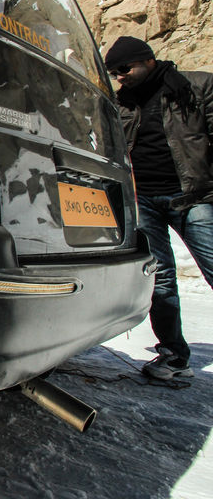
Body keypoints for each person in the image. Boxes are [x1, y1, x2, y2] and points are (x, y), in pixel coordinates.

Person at [106, 36, 213, 381]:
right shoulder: (119, 103)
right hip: (143, 201)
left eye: (124, 68)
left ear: (147, 60)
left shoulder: (196, 86)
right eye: (114, 72)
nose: (120, 77)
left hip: (194, 196)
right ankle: (173, 356)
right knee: (161, 279)